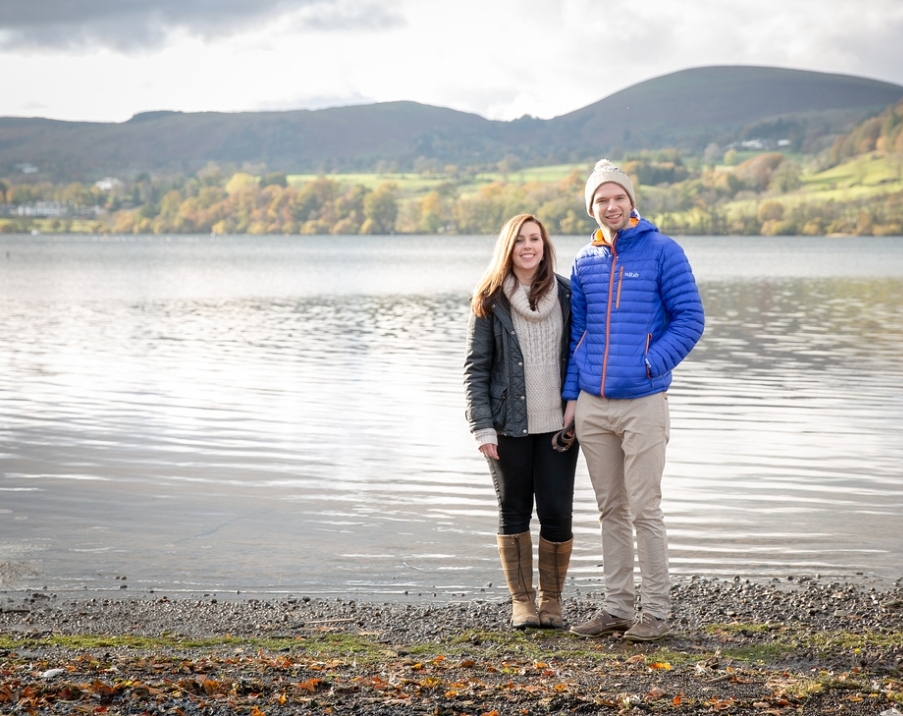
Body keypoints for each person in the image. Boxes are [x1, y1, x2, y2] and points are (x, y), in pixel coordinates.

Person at [564, 160, 705, 642]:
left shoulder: (664, 250)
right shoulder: (584, 261)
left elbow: (690, 319)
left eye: (617, 197)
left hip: (644, 401)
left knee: (645, 508)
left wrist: (649, 364)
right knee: (611, 510)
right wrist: (571, 396)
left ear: (630, 201)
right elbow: (577, 333)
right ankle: (618, 608)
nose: (611, 206)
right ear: (591, 209)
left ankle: (657, 614)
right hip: (593, 406)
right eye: (601, 200)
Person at [464, 214, 580, 629]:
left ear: (545, 245)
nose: (528, 246)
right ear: (508, 248)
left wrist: (577, 404)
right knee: (513, 510)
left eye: (535, 239)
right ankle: (522, 604)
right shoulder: (490, 299)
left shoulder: (568, 294)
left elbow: (581, 354)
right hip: (506, 425)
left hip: (558, 427)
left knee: (556, 512)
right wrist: (482, 427)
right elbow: (476, 369)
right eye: (520, 241)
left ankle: (551, 603)